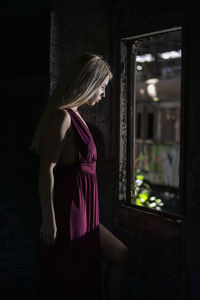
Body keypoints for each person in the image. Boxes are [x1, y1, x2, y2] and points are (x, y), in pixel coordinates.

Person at [30, 53, 129, 300]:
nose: (104, 94)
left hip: (86, 209)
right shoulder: (62, 116)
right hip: (69, 209)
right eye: (102, 87)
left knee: (119, 254)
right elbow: (47, 170)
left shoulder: (77, 116)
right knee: (73, 276)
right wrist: (49, 220)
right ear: (89, 82)